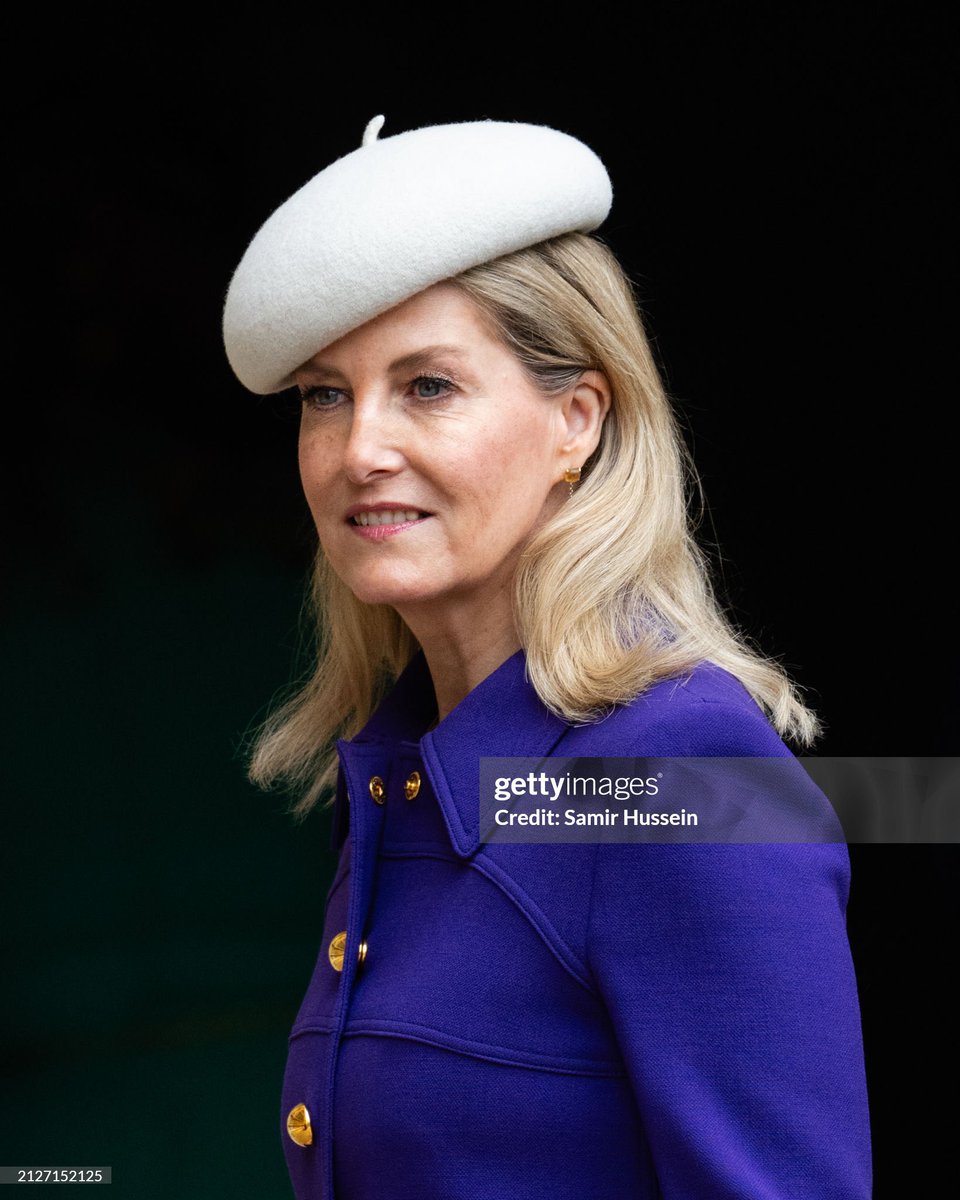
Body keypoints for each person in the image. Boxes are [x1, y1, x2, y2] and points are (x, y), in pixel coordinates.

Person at [222, 116, 872, 1199]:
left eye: (427, 386)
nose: (359, 449)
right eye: (325, 396)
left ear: (576, 419)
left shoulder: (675, 770)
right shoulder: (407, 767)